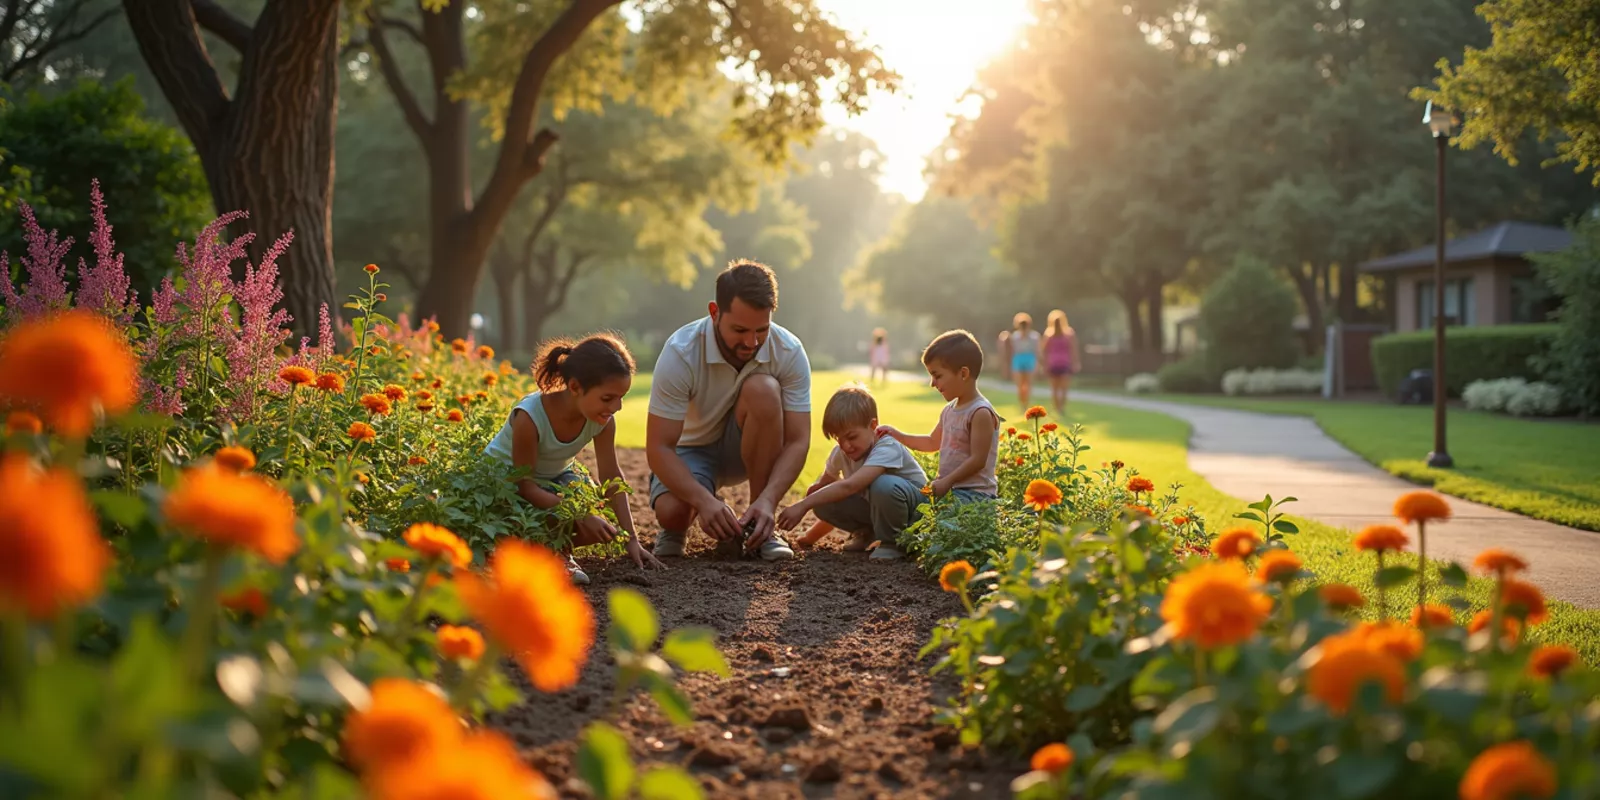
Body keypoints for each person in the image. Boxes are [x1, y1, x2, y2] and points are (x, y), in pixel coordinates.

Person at [646, 260, 811, 560]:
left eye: (762, 329)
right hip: (691, 450)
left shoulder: (788, 350)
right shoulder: (680, 352)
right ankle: (681, 522)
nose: (752, 342)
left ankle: (759, 525)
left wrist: (769, 500)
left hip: (747, 448)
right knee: (672, 513)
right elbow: (658, 447)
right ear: (714, 312)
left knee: (764, 390)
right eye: (739, 329)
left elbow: (799, 439)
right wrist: (704, 502)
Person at [484, 333, 664, 584]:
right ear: (576, 387)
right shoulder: (530, 418)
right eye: (608, 398)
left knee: (604, 524)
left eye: (621, 397)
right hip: (507, 487)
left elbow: (611, 476)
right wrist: (577, 515)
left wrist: (630, 539)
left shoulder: (602, 421)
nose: (617, 407)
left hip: (554, 481)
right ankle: (549, 554)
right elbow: (524, 486)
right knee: (575, 518)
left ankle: (548, 549)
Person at [778, 384, 927, 560]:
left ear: (873, 425)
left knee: (883, 485)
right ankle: (867, 532)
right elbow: (829, 492)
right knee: (818, 493)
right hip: (880, 510)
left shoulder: (887, 446)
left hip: (915, 511)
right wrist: (810, 537)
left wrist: (802, 505)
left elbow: (850, 486)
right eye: (838, 439)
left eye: (851, 437)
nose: (845, 446)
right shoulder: (841, 453)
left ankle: (893, 543)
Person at [878, 330, 1000, 503]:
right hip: (951, 491)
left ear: (963, 374)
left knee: (934, 521)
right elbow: (931, 442)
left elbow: (978, 460)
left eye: (937, 375)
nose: (932, 383)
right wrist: (896, 435)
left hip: (975, 496)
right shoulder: (949, 410)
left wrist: (947, 482)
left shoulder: (980, 412)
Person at [1042, 309, 1080, 416]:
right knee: (1063, 389)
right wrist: (1075, 362)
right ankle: (1061, 408)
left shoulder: (1048, 335)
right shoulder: (1069, 334)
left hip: (1052, 363)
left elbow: (1044, 351)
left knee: (1054, 389)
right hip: (1064, 363)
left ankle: (1057, 408)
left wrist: (1044, 364)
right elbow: (1073, 349)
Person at [1008, 313, 1041, 412]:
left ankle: (1025, 402)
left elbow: (1037, 350)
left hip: (1029, 358)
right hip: (1019, 359)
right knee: (1020, 384)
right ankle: (1022, 403)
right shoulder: (1015, 336)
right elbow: (1012, 350)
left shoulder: (1034, 336)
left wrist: (1038, 363)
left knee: (1028, 384)